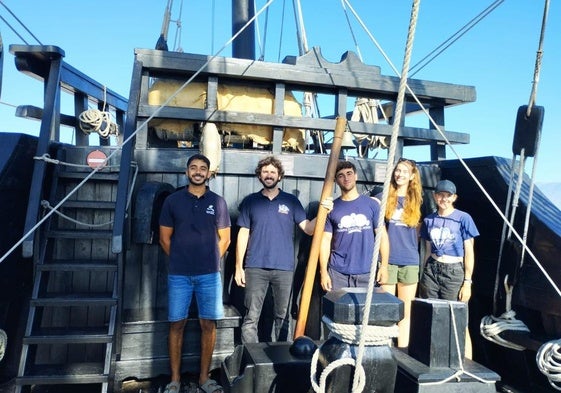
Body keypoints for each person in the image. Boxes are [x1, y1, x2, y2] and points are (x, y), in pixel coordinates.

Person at [159, 153, 231, 393]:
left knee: (208, 325)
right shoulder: (172, 201)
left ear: (209, 173)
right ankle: (175, 380)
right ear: (187, 171)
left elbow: (226, 239)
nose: (198, 171)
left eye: (203, 168)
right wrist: (183, 259)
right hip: (179, 275)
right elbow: (165, 239)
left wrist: (208, 261)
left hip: (209, 276)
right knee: (176, 325)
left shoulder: (218, 202)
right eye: (193, 167)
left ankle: (203, 379)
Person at [235, 155, 324, 343]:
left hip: (284, 268)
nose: (269, 175)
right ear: (259, 176)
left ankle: (280, 361)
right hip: (255, 266)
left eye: (273, 172)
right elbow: (243, 234)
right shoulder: (251, 201)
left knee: (282, 318)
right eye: (265, 171)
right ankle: (251, 360)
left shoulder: (291, 201)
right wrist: (238, 267)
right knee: (251, 318)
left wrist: (324, 211)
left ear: (279, 176)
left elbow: (308, 229)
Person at [419, 179, 479, 358]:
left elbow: (469, 251)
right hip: (432, 270)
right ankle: (435, 358)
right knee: (432, 315)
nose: (444, 199)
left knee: (458, 319)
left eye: (448, 196)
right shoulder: (429, 219)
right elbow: (428, 249)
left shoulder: (463, 218)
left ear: (454, 198)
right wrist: (425, 271)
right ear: (435, 196)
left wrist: (467, 282)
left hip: (454, 272)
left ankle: (466, 362)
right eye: (440, 195)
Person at [319, 160, 389, 292]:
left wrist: (384, 266)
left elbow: (382, 236)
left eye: (349, 173)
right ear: (336, 180)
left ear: (356, 176)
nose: (346, 178)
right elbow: (325, 241)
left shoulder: (372, 205)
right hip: (338, 273)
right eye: (341, 175)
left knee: (366, 312)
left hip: (367, 272)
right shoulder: (332, 208)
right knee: (336, 312)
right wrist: (323, 272)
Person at [377, 158, 423, 348]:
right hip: (389, 261)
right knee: (388, 312)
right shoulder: (384, 197)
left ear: (412, 176)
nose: (399, 174)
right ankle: (385, 350)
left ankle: (403, 350)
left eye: (404, 171)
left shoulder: (419, 201)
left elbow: (419, 233)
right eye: (397, 170)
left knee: (406, 312)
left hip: (410, 261)